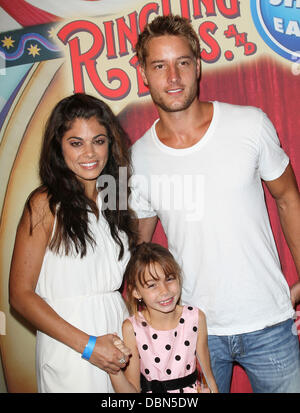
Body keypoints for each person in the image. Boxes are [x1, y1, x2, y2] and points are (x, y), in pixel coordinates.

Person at [130, 14, 300, 393]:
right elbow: (139, 249)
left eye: (183, 63)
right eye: (160, 65)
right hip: (189, 330)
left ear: (198, 65)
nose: (173, 77)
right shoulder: (138, 158)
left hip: (269, 321)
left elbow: (288, 197)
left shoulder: (250, 125)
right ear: (144, 72)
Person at [9, 93, 137, 393]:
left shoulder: (114, 198)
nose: (89, 153)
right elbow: (20, 296)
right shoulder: (44, 203)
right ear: (59, 147)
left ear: (110, 144)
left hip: (117, 338)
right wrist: (90, 347)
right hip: (71, 348)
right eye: (76, 142)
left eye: (99, 140)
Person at [109, 242, 218, 393]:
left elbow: (209, 377)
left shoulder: (195, 317)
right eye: (152, 285)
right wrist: (113, 365)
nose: (164, 291)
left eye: (169, 279)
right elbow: (131, 390)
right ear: (136, 292)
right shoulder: (132, 327)